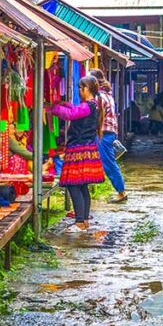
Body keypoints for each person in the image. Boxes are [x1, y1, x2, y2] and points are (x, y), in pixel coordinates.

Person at [50, 76, 105, 230]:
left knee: (74, 185)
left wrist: (53, 108)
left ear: (86, 89)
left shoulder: (88, 105)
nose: (79, 91)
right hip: (87, 149)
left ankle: (80, 222)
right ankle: (84, 220)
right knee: (82, 186)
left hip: (79, 149)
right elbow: (75, 110)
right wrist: (65, 104)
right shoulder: (94, 105)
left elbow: (72, 114)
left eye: (80, 88)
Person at [88, 68, 127, 203]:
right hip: (108, 132)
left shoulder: (99, 97)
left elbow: (96, 117)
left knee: (109, 163)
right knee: (107, 161)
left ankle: (121, 192)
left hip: (103, 132)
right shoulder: (107, 94)